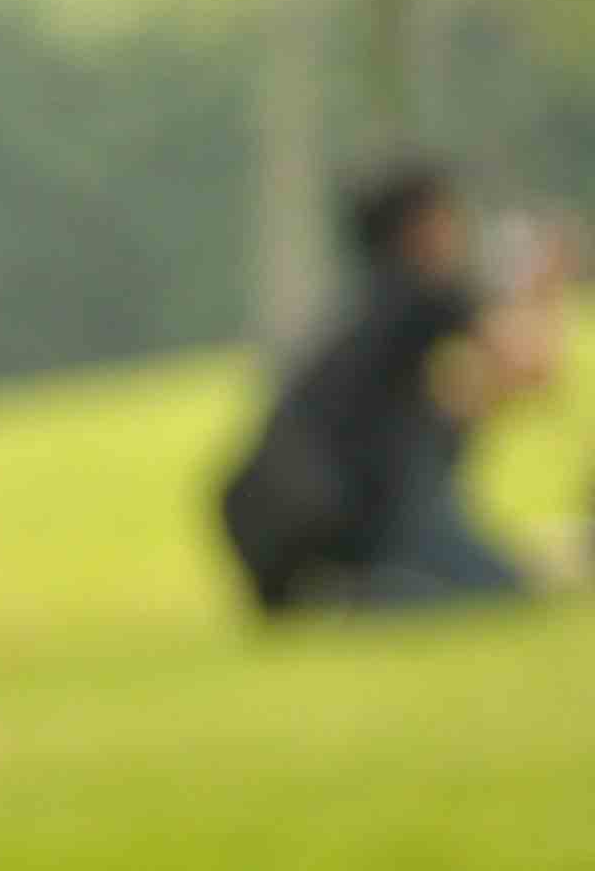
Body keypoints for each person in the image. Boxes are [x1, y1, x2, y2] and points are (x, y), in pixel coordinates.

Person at [219, 161, 562, 616]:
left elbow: (456, 408)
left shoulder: (370, 309)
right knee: (501, 591)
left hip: (276, 532)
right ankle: (364, 595)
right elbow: (529, 367)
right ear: (421, 228)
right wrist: (543, 287)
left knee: (482, 572)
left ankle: (345, 592)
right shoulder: (425, 294)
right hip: (352, 518)